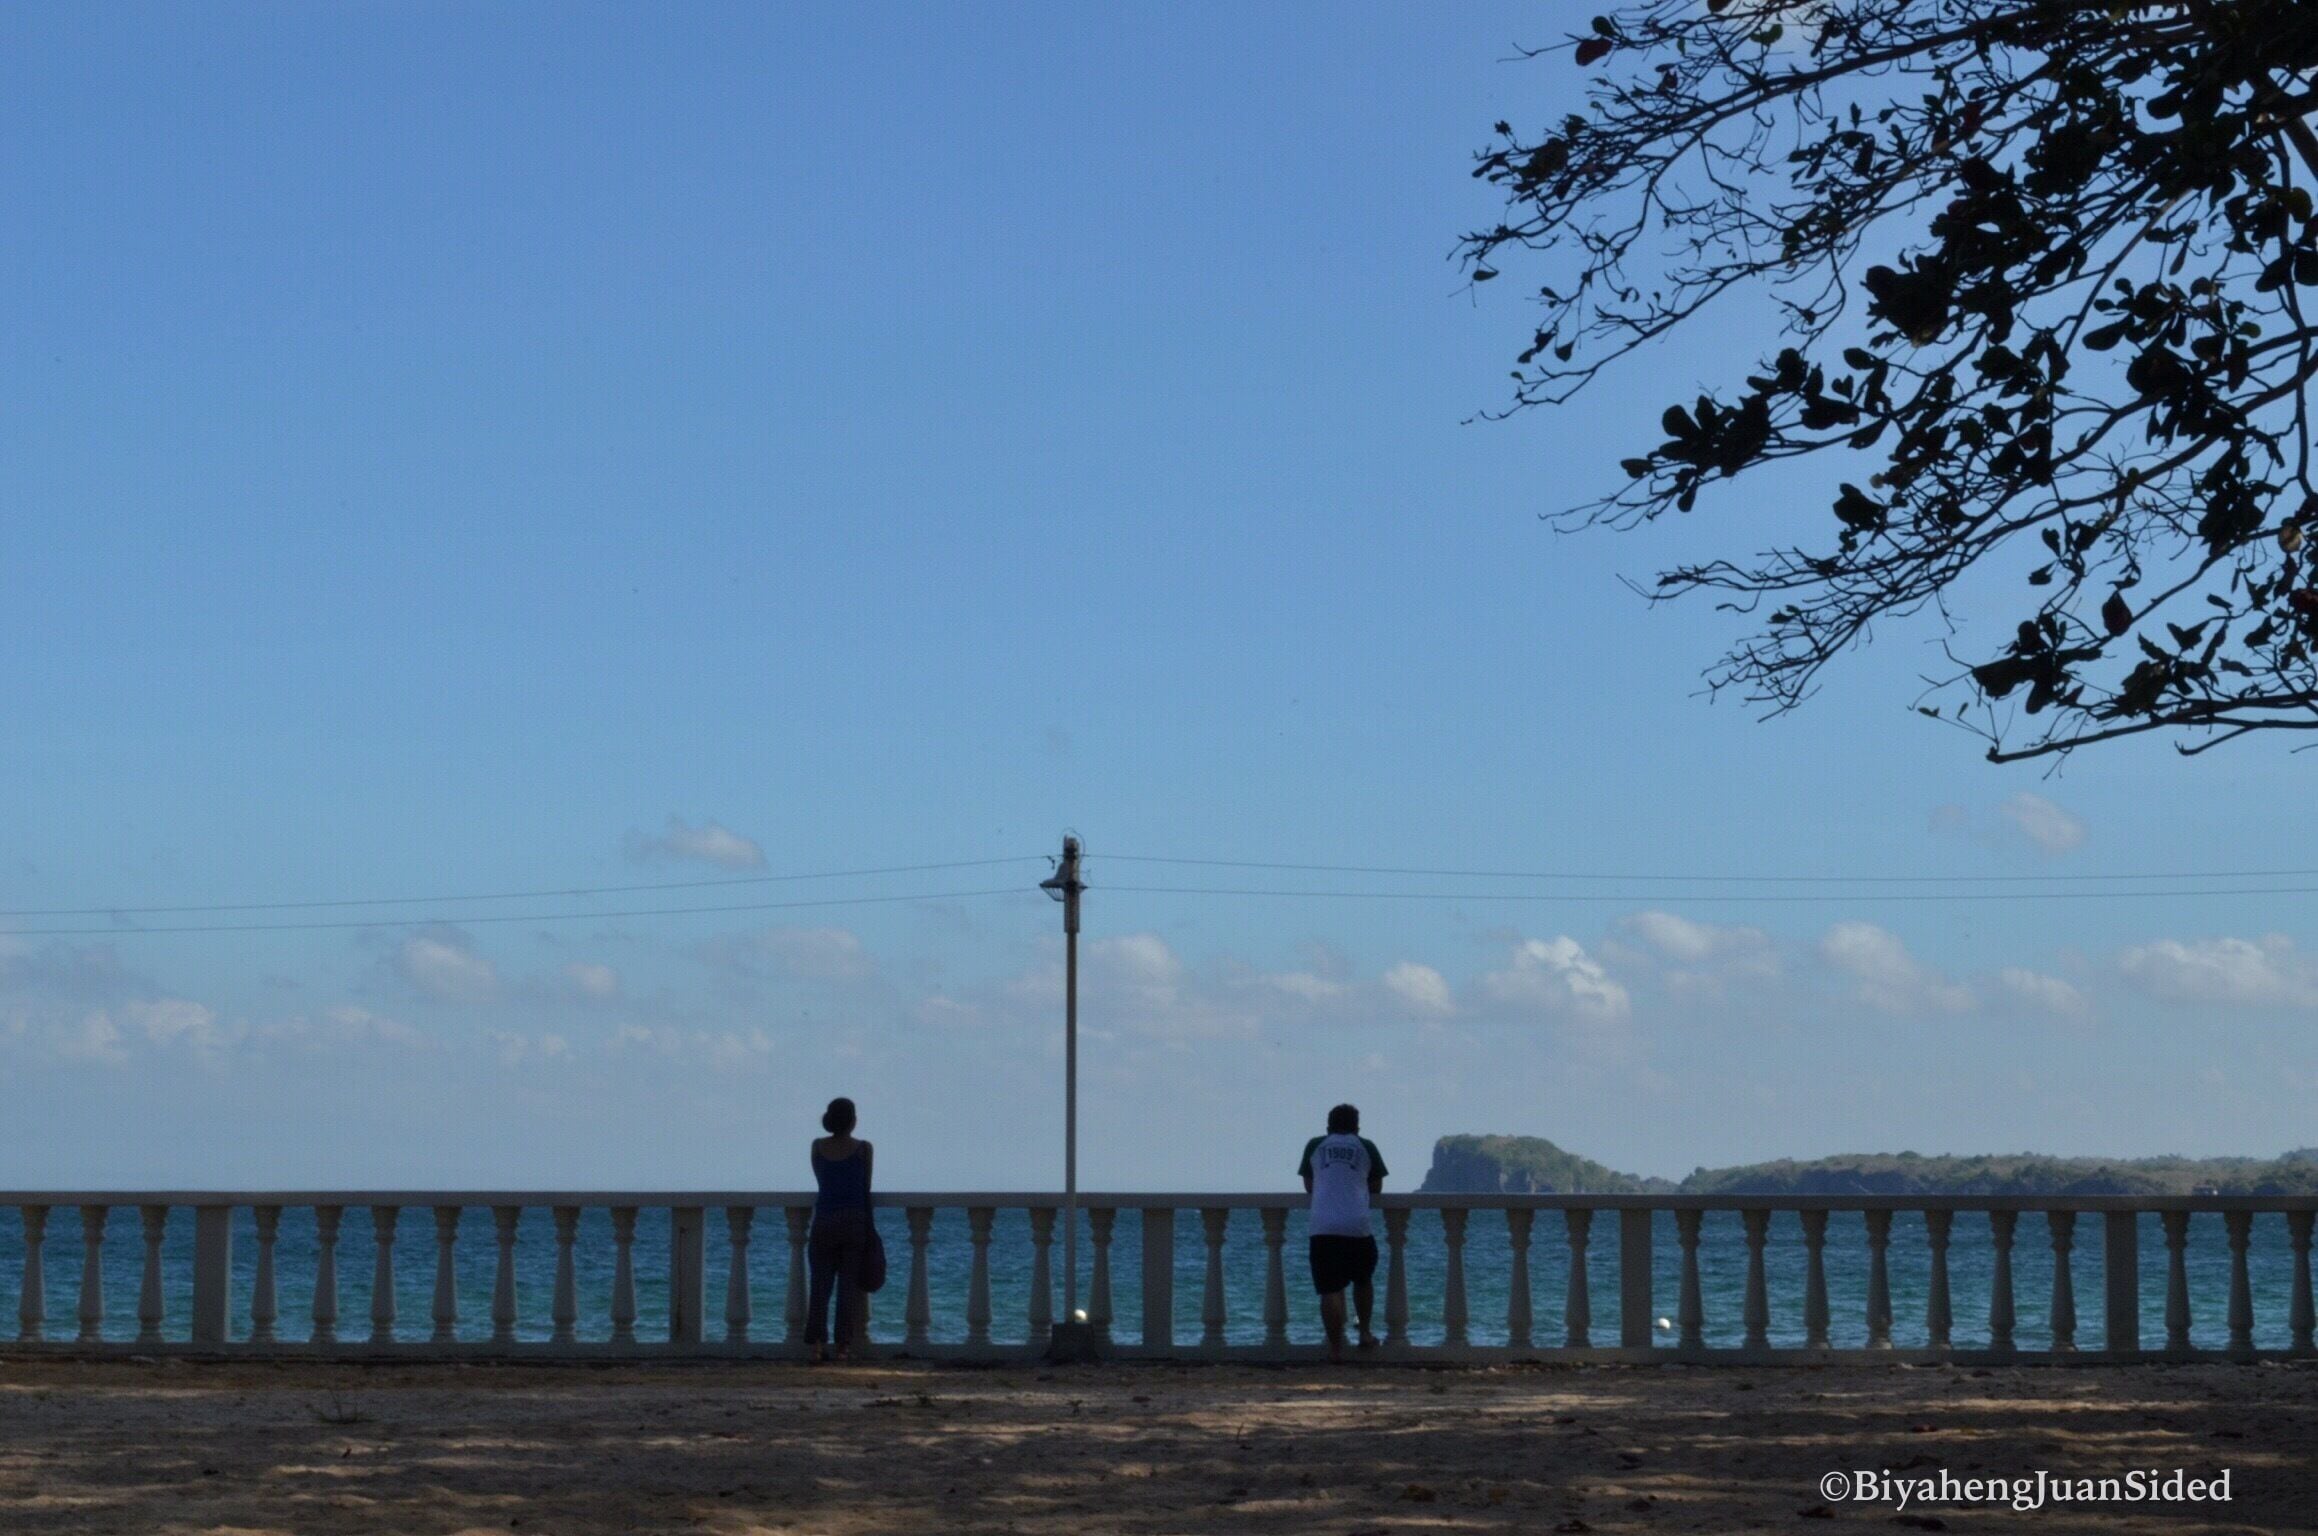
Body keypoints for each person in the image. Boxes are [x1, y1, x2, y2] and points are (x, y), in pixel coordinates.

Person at [1298, 1102, 1386, 1362]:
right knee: (1363, 1281)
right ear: (1357, 1127)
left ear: (1328, 1126)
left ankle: (1336, 1348)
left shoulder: (1315, 1145)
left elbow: (1309, 1185)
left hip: (1323, 1227)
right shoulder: (1366, 1147)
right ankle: (1365, 1332)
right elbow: (1376, 1187)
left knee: (1330, 1290)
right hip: (1357, 1226)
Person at [806, 1096, 873, 1362]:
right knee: (848, 1288)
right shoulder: (863, 1149)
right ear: (853, 1121)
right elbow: (865, 1186)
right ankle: (843, 1347)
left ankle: (817, 1346)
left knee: (820, 1287)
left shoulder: (817, 1147)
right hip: (854, 1221)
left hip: (824, 1219)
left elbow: (821, 1180)